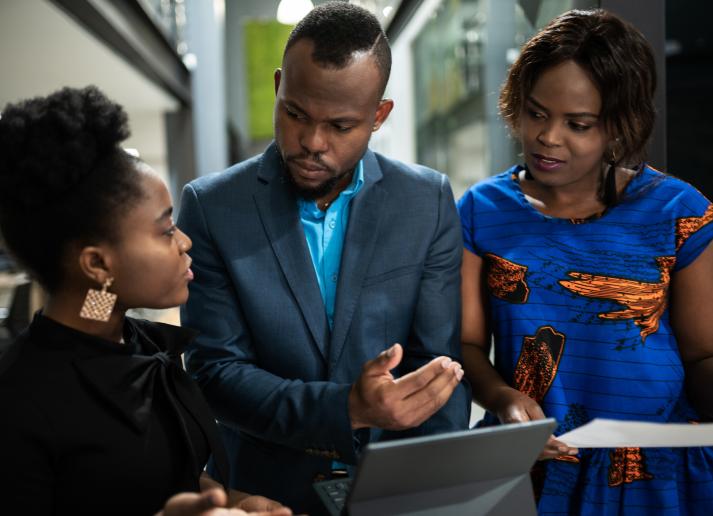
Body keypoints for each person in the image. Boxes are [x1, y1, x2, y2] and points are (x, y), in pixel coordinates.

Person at [178, 2, 470, 513]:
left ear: (379, 116)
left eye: (340, 125)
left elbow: (436, 368)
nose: (311, 142)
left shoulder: (426, 201)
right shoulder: (211, 206)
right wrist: (346, 409)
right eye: (295, 114)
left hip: (396, 491)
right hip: (262, 494)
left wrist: (438, 493)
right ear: (277, 87)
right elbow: (215, 373)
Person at [458, 8, 713, 514]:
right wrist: (503, 399)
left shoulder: (679, 212)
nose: (548, 137)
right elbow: (465, 344)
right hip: (532, 467)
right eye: (535, 113)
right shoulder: (480, 212)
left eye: (578, 124)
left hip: (657, 473)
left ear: (619, 126)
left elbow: (702, 355)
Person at [0, 86, 290, 516]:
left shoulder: (138, 346)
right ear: (98, 264)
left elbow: (169, 477)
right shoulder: (18, 401)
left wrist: (235, 501)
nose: (185, 241)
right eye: (166, 229)